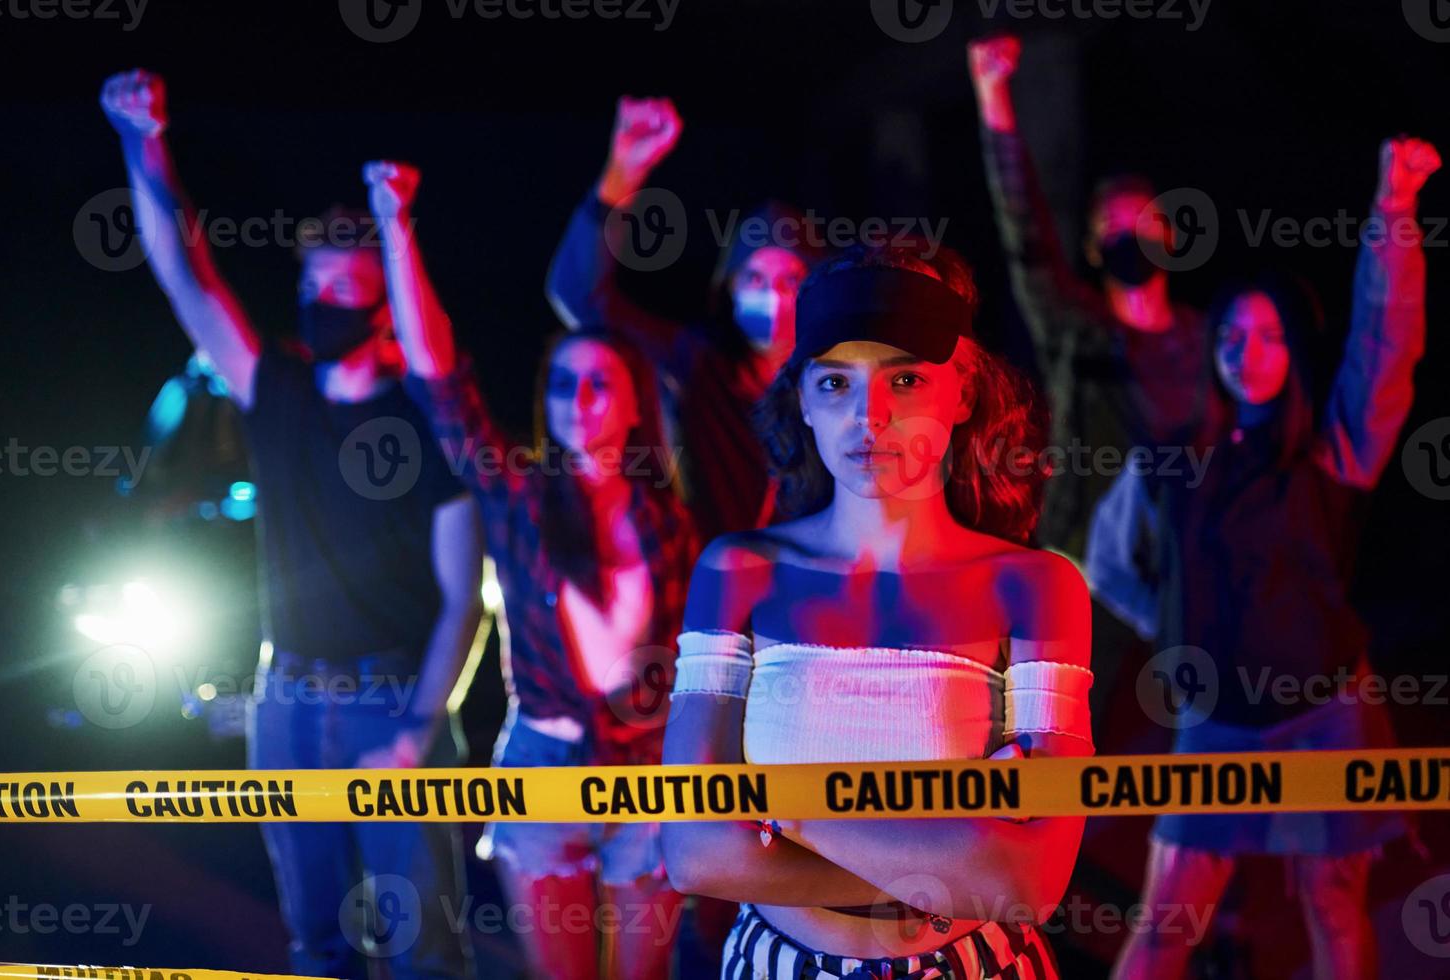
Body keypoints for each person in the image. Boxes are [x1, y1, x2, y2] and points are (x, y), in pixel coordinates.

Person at [100, 71, 483, 980]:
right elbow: (182, 275)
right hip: (287, 701)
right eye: (315, 280)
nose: (326, 299)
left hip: (395, 703)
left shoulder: (432, 424)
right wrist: (142, 142)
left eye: (348, 285)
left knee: (423, 947)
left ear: (384, 304)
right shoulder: (277, 394)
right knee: (314, 941)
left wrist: (420, 726)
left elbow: (466, 598)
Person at [663, 241, 1095, 978]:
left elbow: (1030, 884)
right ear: (801, 397)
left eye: (906, 378)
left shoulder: (1034, 585)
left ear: (962, 393)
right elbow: (693, 851)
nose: (870, 414)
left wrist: (780, 811)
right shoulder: (738, 571)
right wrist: (954, 856)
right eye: (835, 382)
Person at [1109, 136, 1440, 979]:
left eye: (1266, 336)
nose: (1244, 352)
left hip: (1327, 710)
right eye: (1230, 335)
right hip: (1216, 721)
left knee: (1332, 907)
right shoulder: (1177, 459)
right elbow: (1109, 562)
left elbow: (1384, 345)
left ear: (1293, 349)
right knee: (1166, 924)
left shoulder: (1334, 451)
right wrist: (1181, 633)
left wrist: (1394, 212)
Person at [369, 159, 700, 980]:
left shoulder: (673, 515)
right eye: (561, 386)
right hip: (543, 768)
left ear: (632, 404)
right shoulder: (518, 492)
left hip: (654, 772)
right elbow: (437, 375)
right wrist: (396, 226)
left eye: (599, 385)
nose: (577, 400)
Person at [967, 35, 1207, 561]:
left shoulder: (1211, 342)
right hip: (1086, 566)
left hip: (1190, 567)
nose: (1130, 236)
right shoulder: (1075, 332)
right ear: (1094, 249)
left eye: (1143, 222)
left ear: (1170, 236)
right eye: (1112, 227)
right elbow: (1024, 229)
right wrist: (994, 95)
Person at [546, 96, 823, 543]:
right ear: (729, 287)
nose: (772, 295)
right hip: (705, 590)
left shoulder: (839, 381)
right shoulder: (696, 365)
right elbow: (578, 292)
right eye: (753, 276)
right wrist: (624, 172)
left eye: (790, 279)